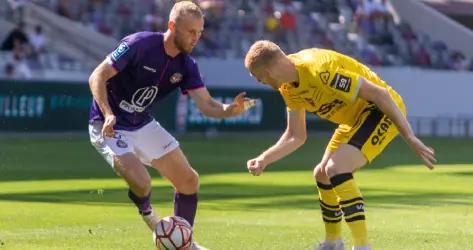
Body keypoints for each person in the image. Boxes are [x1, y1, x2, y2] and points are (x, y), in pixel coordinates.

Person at [87, 2, 254, 249]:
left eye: (199, 32)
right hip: (108, 124)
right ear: (172, 26)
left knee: (189, 180)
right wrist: (108, 113)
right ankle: (147, 213)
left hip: (142, 124)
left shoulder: (187, 65)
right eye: (190, 31)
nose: (196, 38)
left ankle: (183, 243)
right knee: (143, 183)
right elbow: (97, 76)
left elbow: (207, 105)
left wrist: (231, 110)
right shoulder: (139, 44)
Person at [244, 40, 436, 250]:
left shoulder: (320, 71)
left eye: (258, 76)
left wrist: (410, 137)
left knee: (336, 168)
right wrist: (264, 159)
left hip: (381, 110)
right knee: (322, 174)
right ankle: (333, 243)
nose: (259, 81)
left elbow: (380, 94)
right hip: (355, 120)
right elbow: (296, 135)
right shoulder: (288, 88)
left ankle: (362, 246)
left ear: (270, 69)